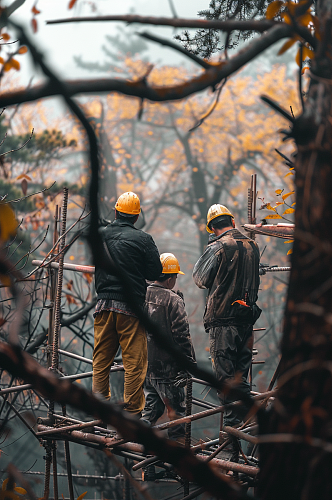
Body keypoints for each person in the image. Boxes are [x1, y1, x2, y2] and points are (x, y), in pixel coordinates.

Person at [193, 204, 260, 458]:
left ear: (212, 227)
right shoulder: (252, 246)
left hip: (223, 323)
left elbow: (200, 279)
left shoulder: (217, 247)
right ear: (232, 220)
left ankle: (233, 451)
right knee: (241, 379)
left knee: (225, 382)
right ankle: (256, 422)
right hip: (246, 322)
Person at [93, 191, 162, 416]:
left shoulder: (101, 235)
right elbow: (154, 272)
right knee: (135, 363)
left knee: (101, 360)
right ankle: (132, 412)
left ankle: (99, 408)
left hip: (103, 304)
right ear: (136, 217)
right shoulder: (143, 239)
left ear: (115, 212)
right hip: (130, 308)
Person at [142, 253, 196, 441]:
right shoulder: (173, 300)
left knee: (151, 409)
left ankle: (142, 453)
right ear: (171, 277)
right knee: (177, 416)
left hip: (146, 367)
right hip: (168, 370)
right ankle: (177, 461)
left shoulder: (142, 294)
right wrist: (188, 365)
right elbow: (182, 336)